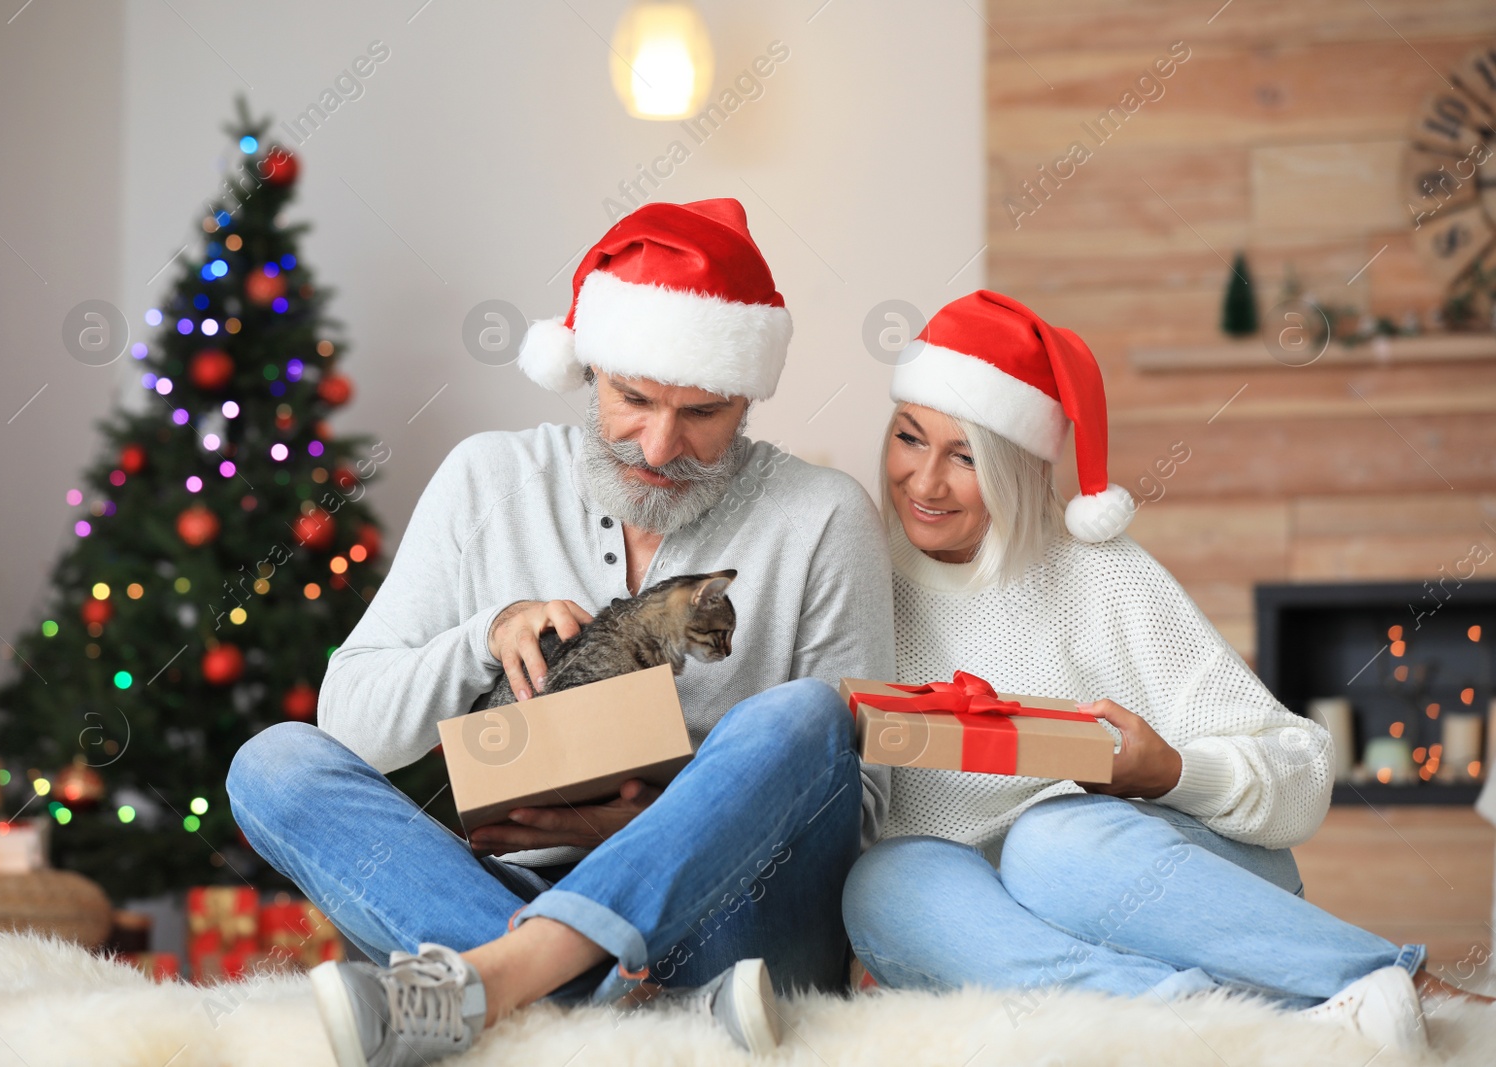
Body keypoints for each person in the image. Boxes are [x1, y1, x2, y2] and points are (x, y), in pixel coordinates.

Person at [226, 198, 896, 1067]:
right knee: (271, 763)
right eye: (634, 398)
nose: (659, 445)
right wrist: (482, 634)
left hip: (739, 923)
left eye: (704, 413)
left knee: (810, 715)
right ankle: (615, 999)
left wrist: (648, 824)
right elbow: (350, 724)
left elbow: (864, 803)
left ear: (749, 400)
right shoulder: (486, 479)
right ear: (586, 370)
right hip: (521, 895)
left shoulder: (825, 516)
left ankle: (501, 983)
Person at [839, 289, 1493, 1055]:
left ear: (1016, 467)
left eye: (965, 458)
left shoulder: (1100, 575)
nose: (923, 483)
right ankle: (1201, 1021)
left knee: (1050, 844)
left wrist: (1171, 771)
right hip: (1002, 933)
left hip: (1149, 885)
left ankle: (1393, 982)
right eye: (911, 439)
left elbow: (1304, 770)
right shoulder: (857, 571)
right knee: (881, 883)